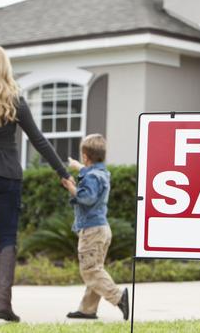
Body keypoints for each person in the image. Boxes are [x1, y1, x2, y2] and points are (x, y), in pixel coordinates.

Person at [0, 45, 73, 322]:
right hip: (6, 173)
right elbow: (38, 139)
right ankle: (3, 304)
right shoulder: (14, 100)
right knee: (7, 237)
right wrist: (63, 173)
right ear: (5, 66)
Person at [61, 134, 129, 321]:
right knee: (95, 268)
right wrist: (79, 167)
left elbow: (87, 198)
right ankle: (87, 309)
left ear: (85, 156)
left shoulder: (91, 176)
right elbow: (92, 175)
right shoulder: (102, 173)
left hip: (91, 230)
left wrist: (70, 187)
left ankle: (119, 297)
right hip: (101, 229)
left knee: (90, 270)